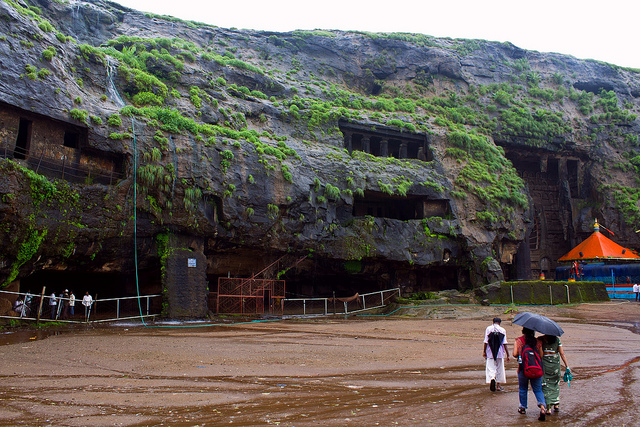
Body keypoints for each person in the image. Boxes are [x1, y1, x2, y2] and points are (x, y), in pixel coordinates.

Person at [513, 327, 547, 421]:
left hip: (523, 369)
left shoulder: (519, 341)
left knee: (523, 388)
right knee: (538, 390)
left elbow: (515, 354)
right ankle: (543, 408)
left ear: (523, 331)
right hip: (537, 369)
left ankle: (523, 408)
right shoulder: (538, 342)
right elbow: (541, 356)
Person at [539, 335, 570, 414]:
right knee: (555, 383)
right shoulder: (557, 340)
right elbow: (562, 353)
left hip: (545, 365)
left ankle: (548, 407)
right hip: (555, 366)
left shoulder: (541, 340)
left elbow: (541, 355)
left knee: (546, 385)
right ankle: (556, 404)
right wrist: (567, 366)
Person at [483, 317, 509, 392]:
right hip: (500, 352)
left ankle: (492, 378)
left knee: (491, 367)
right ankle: (498, 385)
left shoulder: (488, 329)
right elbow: (504, 343)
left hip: (490, 351)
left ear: (493, 322)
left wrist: (484, 351)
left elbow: (486, 341)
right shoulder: (502, 330)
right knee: (500, 368)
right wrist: (508, 355)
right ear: (500, 323)